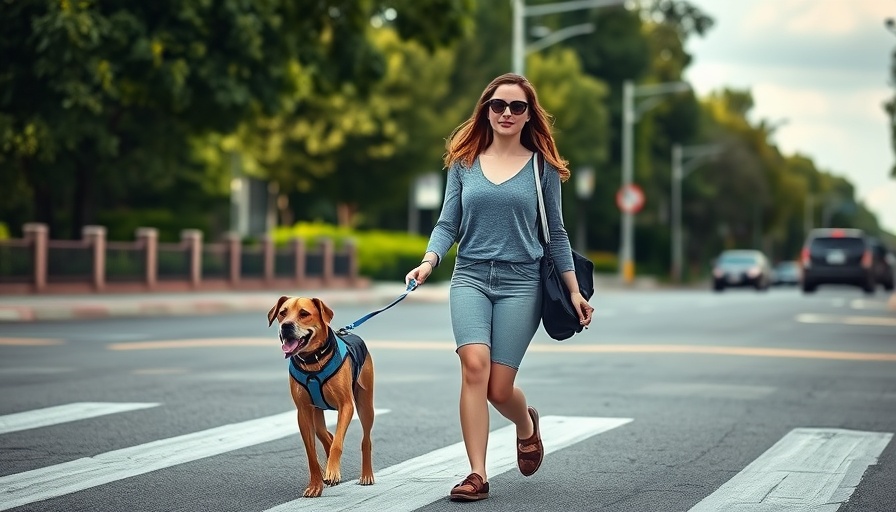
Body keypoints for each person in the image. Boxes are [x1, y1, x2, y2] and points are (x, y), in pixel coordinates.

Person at [405, 73, 594, 502]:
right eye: (498, 105)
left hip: (521, 282)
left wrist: (574, 290)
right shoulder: (464, 161)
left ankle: (527, 425)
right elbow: (448, 222)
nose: (507, 113)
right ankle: (477, 474)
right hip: (469, 276)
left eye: (517, 107)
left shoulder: (541, 166)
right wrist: (427, 261)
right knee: (474, 367)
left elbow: (557, 235)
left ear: (529, 115)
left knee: (498, 389)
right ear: (486, 109)